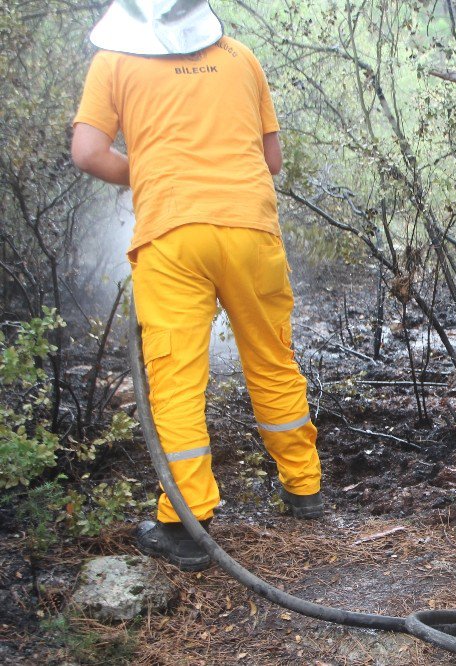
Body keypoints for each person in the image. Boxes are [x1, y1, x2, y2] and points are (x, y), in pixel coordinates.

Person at [71, 0, 323, 572]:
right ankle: (305, 490)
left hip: (172, 235)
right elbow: (272, 160)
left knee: (177, 379)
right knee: (271, 358)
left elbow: (87, 152)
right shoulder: (241, 57)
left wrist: (158, 168)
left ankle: (187, 526)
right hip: (250, 230)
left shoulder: (114, 60)